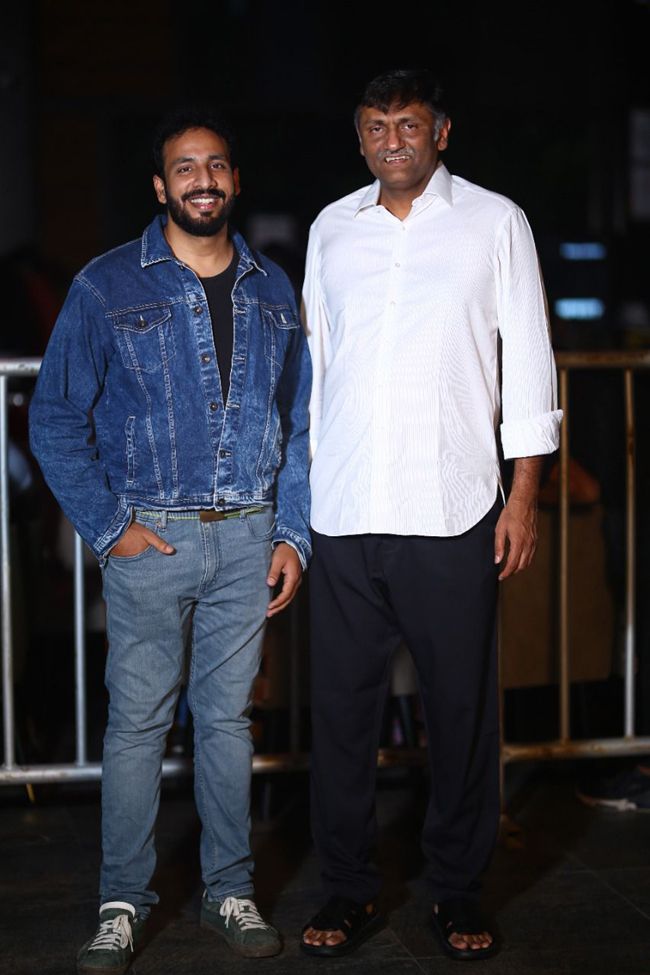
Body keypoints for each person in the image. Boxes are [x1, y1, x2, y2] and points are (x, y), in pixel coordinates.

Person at [29, 107, 311, 973]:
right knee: (138, 725)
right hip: (151, 539)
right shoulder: (108, 285)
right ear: (161, 186)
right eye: (185, 167)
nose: (202, 179)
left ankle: (230, 889)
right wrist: (111, 528)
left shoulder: (273, 288)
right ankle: (122, 902)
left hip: (248, 536)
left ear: (235, 179)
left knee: (227, 721)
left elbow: (299, 424)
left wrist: (292, 532)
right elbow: (54, 417)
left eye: (216, 164)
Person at [301, 69, 562, 961]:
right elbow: (318, 373)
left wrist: (523, 494)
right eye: (376, 126)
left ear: (441, 131)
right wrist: (302, 502)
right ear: (360, 136)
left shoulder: (496, 222)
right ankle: (346, 885)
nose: (393, 141)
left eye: (409, 124)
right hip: (344, 510)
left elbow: (529, 359)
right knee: (340, 716)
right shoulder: (331, 228)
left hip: (453, 509)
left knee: (460, 712)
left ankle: (457, 889)